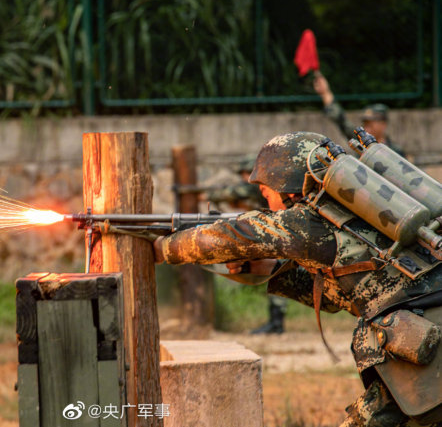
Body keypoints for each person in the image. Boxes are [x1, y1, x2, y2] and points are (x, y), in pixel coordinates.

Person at [154, 131, 442, 426]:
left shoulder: (307, 220)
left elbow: (239, 235)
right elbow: (343, 295)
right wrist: (268, 269)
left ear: (285, 183)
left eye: (266, 190)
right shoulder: (350, 218)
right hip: (426, 332)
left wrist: (161, 248)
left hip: (428, 340)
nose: (265, 197)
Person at [207, 156, 287, 334]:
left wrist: (207, 194)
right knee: (277, 273)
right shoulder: (266, 187)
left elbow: (232, 192)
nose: (245, 177)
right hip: (278, 232)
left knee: (279, 273)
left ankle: (276, 323)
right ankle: (276, 322)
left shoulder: (258, 185)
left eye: (246, 173)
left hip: (282, 233)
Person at [313, 72, 405, 156]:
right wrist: (325, 93)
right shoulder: (361, 143)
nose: (367, 128)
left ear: (383, 124)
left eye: (371, 124)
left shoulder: (395, 151)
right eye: (365, 124)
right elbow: (341, 120)